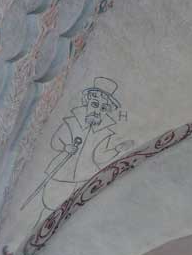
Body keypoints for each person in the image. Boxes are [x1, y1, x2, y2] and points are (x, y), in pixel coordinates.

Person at [26, 77, 133, 222]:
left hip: (81, 178)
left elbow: (100, 156)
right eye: (95, 104)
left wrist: (117, 149)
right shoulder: (73, 121)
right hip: (60, 173)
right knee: (47, 206)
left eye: (103, 108)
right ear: (87, 102)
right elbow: (56, 140)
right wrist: (66, 147)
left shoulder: (104, 132)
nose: (97, 111)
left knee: (65, 212)